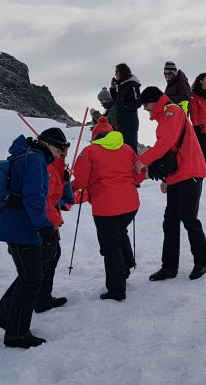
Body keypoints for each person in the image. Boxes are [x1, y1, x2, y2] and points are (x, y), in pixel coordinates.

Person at [0, 128, 69, 348]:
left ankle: (3, 316)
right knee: (31, 279)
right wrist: (45, 227)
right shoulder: (35, 161)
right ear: (49, 144)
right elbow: (34, 199)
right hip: (22, 228)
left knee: (28, 276)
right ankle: (16, 334)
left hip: (16, 226)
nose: (60, 155)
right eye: (60, 150)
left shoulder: (25, 156)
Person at [134, 87, 206, 282]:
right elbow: (172, 152)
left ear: (154, 101)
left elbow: (166, 143)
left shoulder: (172, 111)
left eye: (146, 104)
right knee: (170, 221)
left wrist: (143, 160)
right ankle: (169, 266)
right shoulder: (165, 117)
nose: (145, 109)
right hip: (179, 174)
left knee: (188, 218)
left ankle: (203, 261)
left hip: (191, 172)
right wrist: (166, 179)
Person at [72, 118, 144, 300]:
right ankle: (126, 265)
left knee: (110, 245)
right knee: (120, 233)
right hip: (130, 205)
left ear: (95, 135)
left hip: (105, 207)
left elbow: (81, 181)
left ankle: (117, 289)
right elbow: (139, 175)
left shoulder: (89, 151)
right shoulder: (127, 149)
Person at [34, 143, 74, 313]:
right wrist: (53, 222)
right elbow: (45, 199)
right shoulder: (48, 167)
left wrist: (65, 178)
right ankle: (40, 299)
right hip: (46, 221)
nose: (63, 155)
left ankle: (41, 297)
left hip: (49, 218)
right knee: (46, 257)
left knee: (51, 255)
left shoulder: (56, 166)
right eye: (61, 152)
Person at [110, 63, 141, 154]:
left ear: (122, 72)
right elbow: (116, 102)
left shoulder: (132, 84)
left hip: (129, 122)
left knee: (130, 148)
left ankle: (135, 167)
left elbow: (137, 103)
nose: (115, 74)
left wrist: (123, 106)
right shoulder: (122, 85)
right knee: (123, 148)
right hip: (122, 122)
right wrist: (113, 89)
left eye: (117, 72)